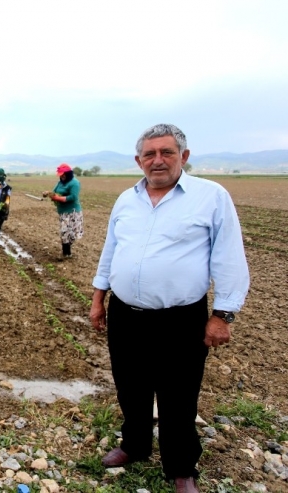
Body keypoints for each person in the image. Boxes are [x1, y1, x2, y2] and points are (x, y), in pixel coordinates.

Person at [89, 124, 250, 493]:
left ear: (184, 156)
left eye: (167, 152)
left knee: (179, 394)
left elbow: (229, 258)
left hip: (181, 318)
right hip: (126, 314)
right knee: (130, 386)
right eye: (150, 154)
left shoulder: (211, 196)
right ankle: (134, 445)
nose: (157, 160)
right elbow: (111, 252)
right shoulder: (126, 200)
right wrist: (99, 299)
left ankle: (181, 467)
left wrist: (222, 315)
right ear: (138, 160)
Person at [46, 163, 83, 259]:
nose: (61, 176)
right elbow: (54, 192)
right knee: (65, 232)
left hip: (72, 211)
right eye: (60, 175)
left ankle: (66, 253)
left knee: (67, 232)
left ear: (68, 173)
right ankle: (66, 253)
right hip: (62, 211)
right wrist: (48, 193)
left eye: (63, 174)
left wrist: (58, 198)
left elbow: (73, 197)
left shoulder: (74, 183)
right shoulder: (60, 182)